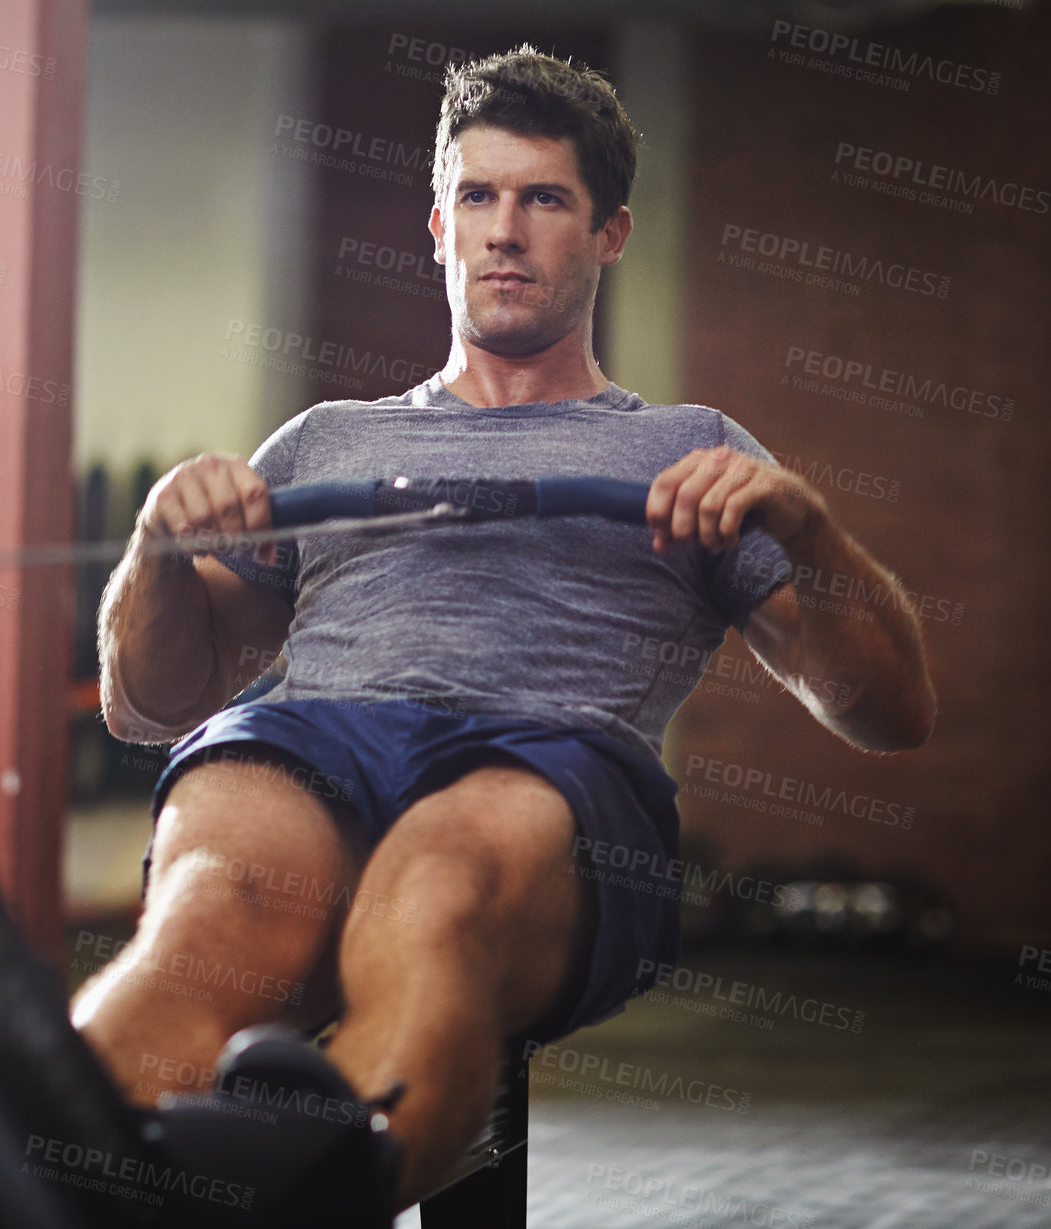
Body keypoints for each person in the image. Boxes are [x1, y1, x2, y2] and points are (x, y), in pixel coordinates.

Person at [71, 44, 937, 1221]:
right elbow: (147, 703)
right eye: (477, 196)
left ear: (608, 234)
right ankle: (38, 1161)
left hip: (545, 764)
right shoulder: (322, 441)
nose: (504, 230)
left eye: (542, 199)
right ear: (436, 224)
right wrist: (156, 550)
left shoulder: (687, 450)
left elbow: (885, 714)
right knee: (213, 900)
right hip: (314, 738)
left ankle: (306, 1186)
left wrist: (813, 531)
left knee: (434, 884)